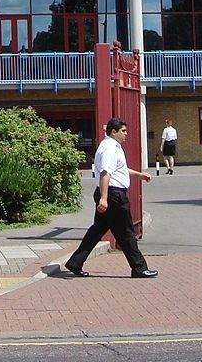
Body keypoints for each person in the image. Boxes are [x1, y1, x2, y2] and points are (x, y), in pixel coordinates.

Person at [64, 117, 157, 278]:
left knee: (97, 230)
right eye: (123, 131)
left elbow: (119, 169)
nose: (126, 134)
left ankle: (75, 263)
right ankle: (139, 268)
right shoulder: (109, 148)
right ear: (114, 132)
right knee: (126, 232)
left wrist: (139, 175)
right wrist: (104, 198)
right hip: (113, 195)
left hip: (110, 193)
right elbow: (105, 173)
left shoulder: (111, 146)